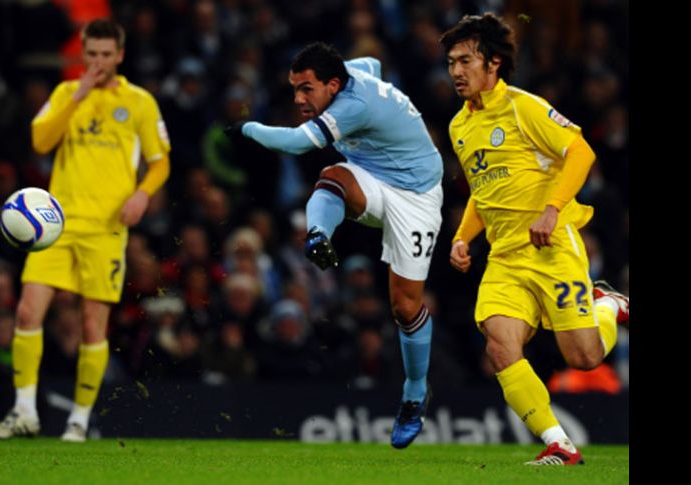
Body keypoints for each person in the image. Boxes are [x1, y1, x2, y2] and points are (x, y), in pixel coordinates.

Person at [229, 42, 444, 449]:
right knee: (332, 175)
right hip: (372, 177)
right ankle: (318, 235)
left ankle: (415, 391)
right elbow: (373, 62)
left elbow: (294, 143)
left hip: (417, 197)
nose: (298, 99)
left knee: (405, 307)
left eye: (306, 89)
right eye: (294, 88)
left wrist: (247, 128)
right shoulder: (349, 74)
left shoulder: (352, 105)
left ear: (332, 85)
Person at [440, 13, 629, 465]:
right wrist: (463, 237)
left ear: (493, 63)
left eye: (466, 61)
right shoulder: (459, 126)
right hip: (504, 257)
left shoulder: (523, 107)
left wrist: (551, 209)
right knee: (499, 345)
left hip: (551, 246)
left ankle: (607, 305)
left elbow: (580, 151)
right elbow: (483, 191)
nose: (456, 71)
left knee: (584, 357)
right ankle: (559, 443)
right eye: (451, 62)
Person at [0, 18, 171, 443]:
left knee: (92, 324)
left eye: (106, 54)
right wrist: (78, 96)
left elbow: (161, 162)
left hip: (106, 228)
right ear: (82, 54)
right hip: (56, 225)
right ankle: (24, 412)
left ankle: (79, 421)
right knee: (27, 312)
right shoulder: (66, 93)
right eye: (91, 54)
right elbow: (40, 141)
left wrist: (142, 195)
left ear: (120, 55)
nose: (98, 62)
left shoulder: (139, 102)